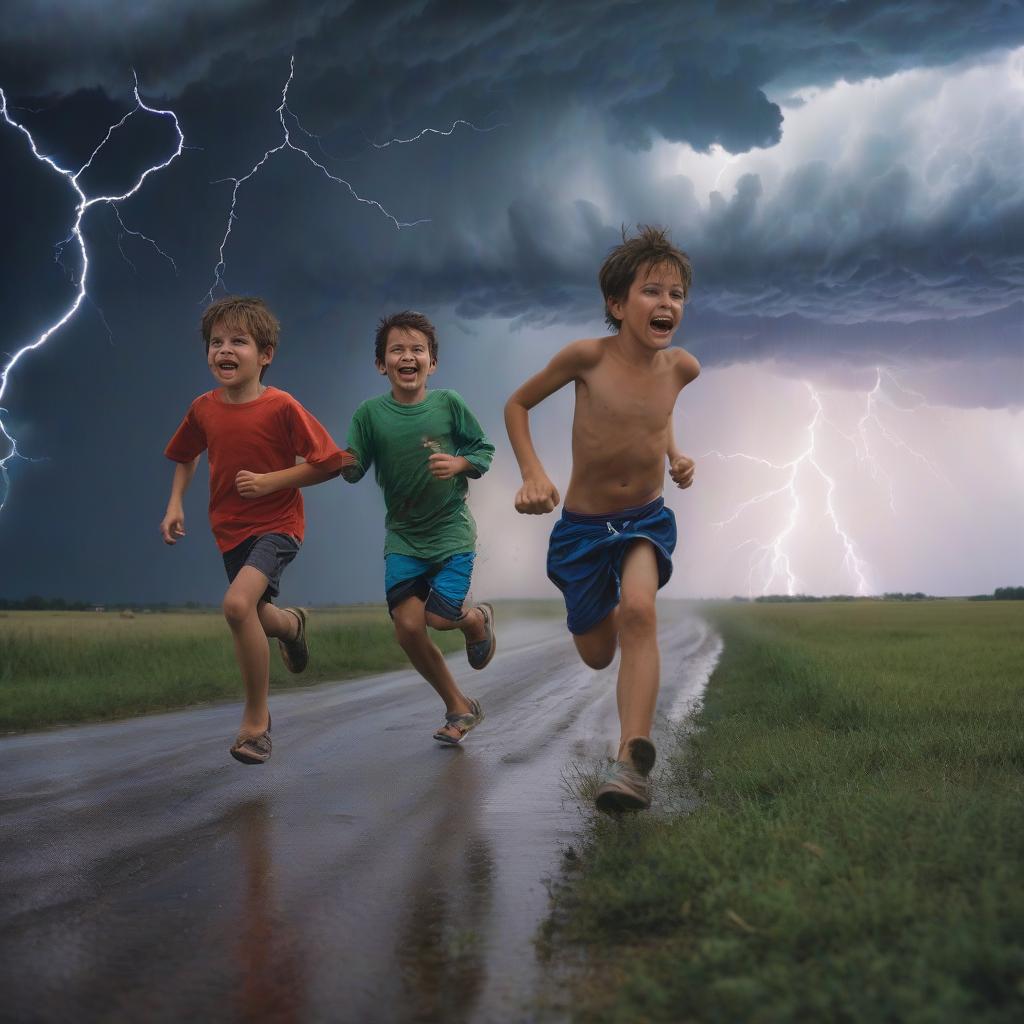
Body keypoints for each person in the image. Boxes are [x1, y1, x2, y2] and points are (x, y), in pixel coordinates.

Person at [504, 225, 699, 812]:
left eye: (676, 294)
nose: (666, 304)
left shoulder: (681, 367)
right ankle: (605, 605)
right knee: (596, 652)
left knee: (641, 611)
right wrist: (534, 474)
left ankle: (630, 759)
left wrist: (675, 456)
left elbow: (655, 415)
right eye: (651, 291)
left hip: (644, 518)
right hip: (583, 530)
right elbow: (517, 404)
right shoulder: (585, 358)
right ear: (617, 305)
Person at [161, 295, 350, 765]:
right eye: (216, 342)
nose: (224, 350)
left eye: (238, 341)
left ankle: (256, 723)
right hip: (229, 529)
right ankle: (290, 626)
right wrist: (175, 504)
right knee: (255, 613)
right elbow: (186, 453)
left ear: (265, 355)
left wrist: (272, 481)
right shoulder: (203, 408)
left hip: (279, 525)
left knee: (236, 604)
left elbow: (331, 462)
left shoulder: (282, 406)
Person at [342, 310, 496, 745]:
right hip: (404, 537)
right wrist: (330, 461)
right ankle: (459, 707)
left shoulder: (448, 403)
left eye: (417, 350)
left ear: (432, 362)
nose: (407, 357)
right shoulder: (369, 414)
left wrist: (459, 462)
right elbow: (353, 469)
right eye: (397, 350)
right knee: (408, 628)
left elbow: (483, 449)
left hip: (450, 533)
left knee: (439, 618)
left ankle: (475, 622)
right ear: (380, 364)